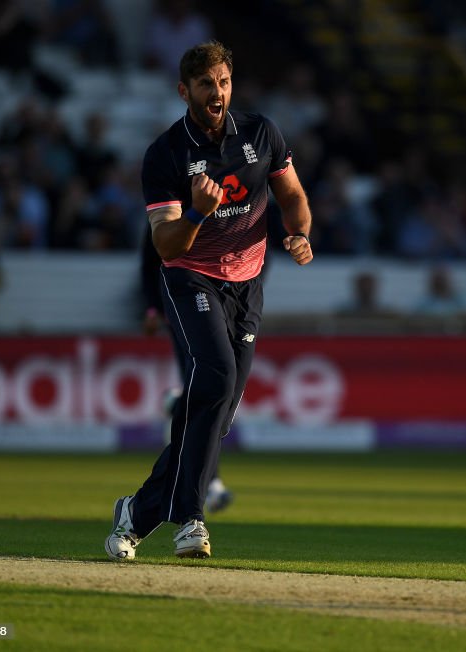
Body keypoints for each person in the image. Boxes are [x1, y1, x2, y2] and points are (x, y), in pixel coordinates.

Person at [105, 41, 313, 561]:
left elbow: (292, 196)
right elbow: (165, 245)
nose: (216, 93)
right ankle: (190, 521)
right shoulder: (167, 154)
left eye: (222, 82)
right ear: (185, 92)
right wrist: (197, 213)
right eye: (205, 85)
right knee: (216, 379)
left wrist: (300, 233)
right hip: (190, 281)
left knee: (216, 417)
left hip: (248, 284)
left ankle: (135, 514)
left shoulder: (262, 132)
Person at [140, 225, 234, 514]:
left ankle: (177, 402)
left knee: (211, 396)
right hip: (183, 304)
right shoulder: (170, 207)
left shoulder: (237, 207)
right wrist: (154, 308)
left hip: (225, 305)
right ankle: (210, 481)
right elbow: (149, 260)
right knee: (208, 393)